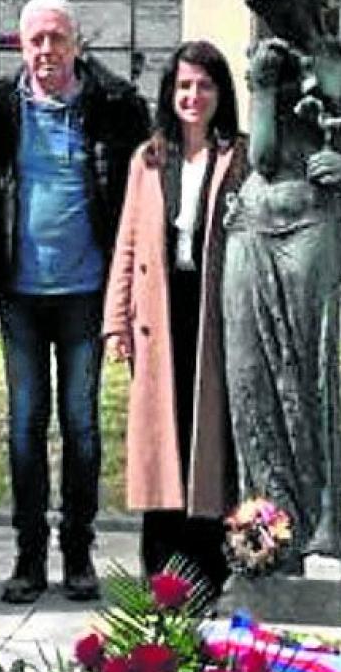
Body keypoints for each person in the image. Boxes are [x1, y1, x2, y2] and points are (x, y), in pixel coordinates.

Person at [0, 0, 150, 604]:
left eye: (56, 38)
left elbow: (138, 194)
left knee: (82, 425)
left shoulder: (115, 105)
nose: (46, 51)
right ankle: (27, 556)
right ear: (20, 45)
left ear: (76, 44)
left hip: (85, 292)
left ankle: (78, 551)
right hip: (20, 292)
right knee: (24, 427)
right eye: (35, 40)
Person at [222, 0, 341, 567]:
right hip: (255, 225)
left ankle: (323, 525)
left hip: (311, 223)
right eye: (266, 11)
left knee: (310, 371)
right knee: (249, 376)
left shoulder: (337, 64)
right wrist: (260, 91)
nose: (273, 21)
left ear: (308, 7)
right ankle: (263, 525)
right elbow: (262, 156)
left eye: (282, 8)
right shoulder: (264, 62)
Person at [103, 40, 247, 596]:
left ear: (220, 93)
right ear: (170, 92)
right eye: (184, 86)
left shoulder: (238, 156)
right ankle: (162, 574)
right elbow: (128, 240)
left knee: (207, 435)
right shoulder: (150, 157)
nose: (193, 96)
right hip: (157, 314)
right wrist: (116, 320)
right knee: (160, 441)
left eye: (204, 85)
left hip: (213, 313)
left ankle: (210, 566)